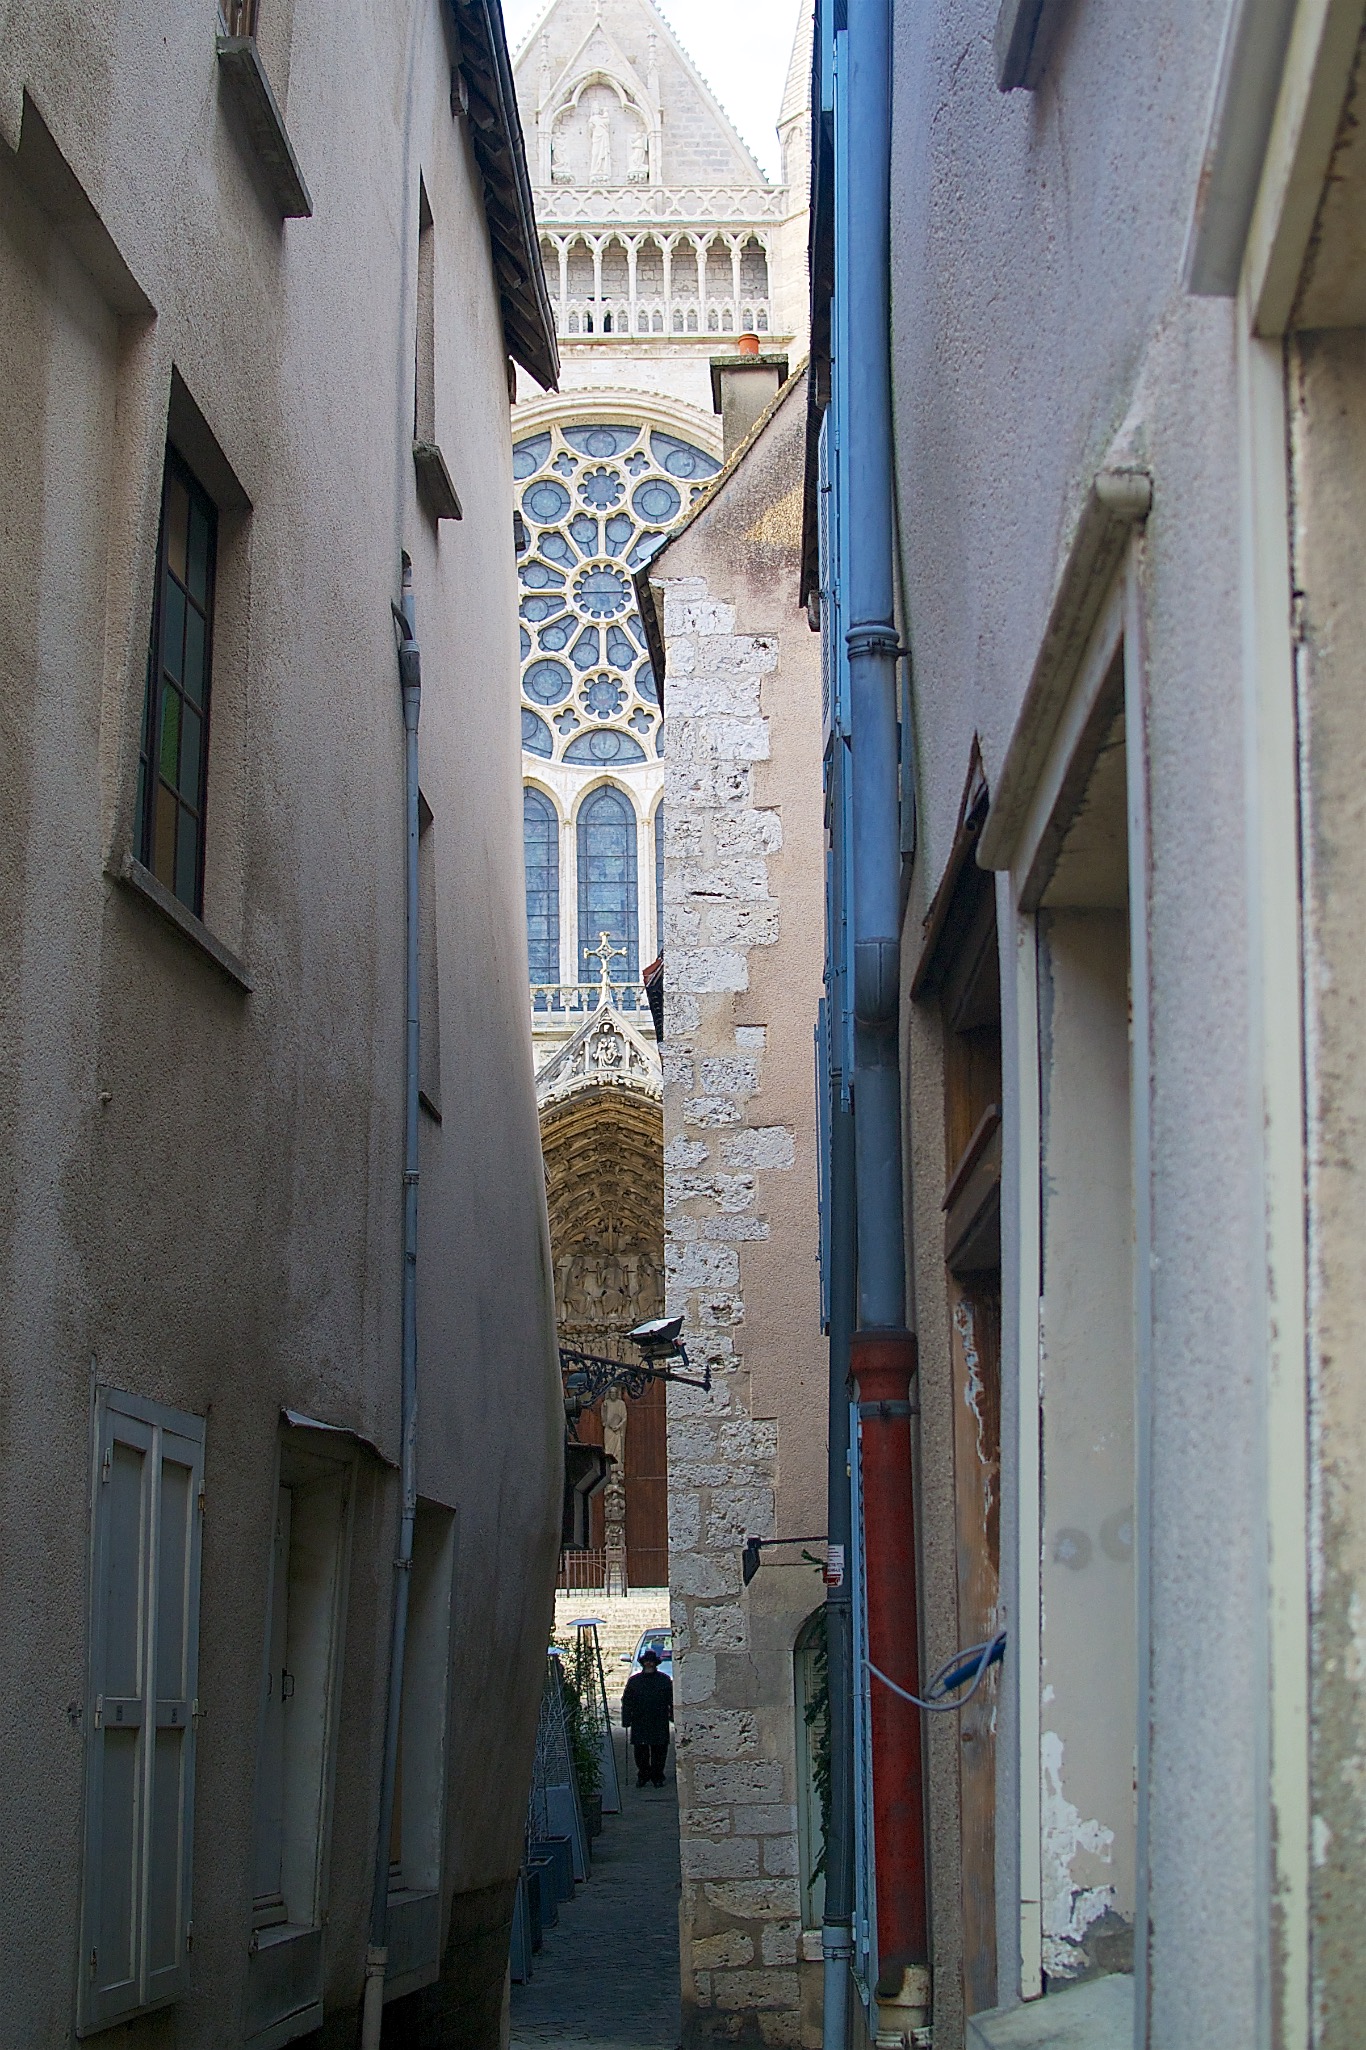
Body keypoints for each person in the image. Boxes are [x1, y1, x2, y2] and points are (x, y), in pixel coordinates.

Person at [621, 1647, 673, 1786]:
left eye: (651, 1662)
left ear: (655, 1664)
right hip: (640, 1719)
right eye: (647, 1662)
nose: (649, 1664)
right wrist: (626, 1718)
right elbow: (627, 1701)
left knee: (659, 1750)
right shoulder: (634, 1681)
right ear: (643, 1663)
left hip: (659, 1719)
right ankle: (643, 1775)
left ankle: (657, 1776)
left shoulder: (664, 1680)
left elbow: (671, 1700)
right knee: (640, 1752)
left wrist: (673, 1716)